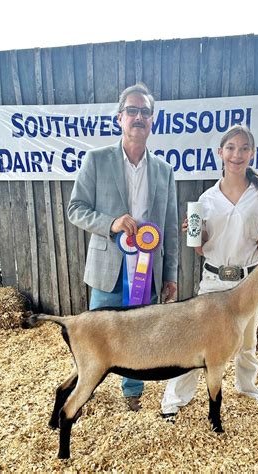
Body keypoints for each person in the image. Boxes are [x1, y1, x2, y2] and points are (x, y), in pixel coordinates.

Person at [68, 83, 178, 412]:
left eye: (145, 111)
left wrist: (170, 274)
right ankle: (84, 389)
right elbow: (76, 209)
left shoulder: (165, 170)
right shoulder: (96, 160)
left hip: (149, 273)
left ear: (153, 120)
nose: (138, 116)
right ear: (119, 118)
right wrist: (111, 224)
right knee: (96, 335)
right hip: (108, 271)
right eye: (132, 110)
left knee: (141, 338)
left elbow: (170, 228)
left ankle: (133, 394)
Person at [161, 125, 258, 417]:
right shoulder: (206, 199)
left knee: (247, 342)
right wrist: (195, 235)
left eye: (243, 148)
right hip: (214, 282)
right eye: (231, 148)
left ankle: (248, 389)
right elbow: (200, 248)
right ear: (220, 153)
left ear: (251, 154)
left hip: (249, 281)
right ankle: (174, 401)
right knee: (195, 344)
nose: (237, 154)